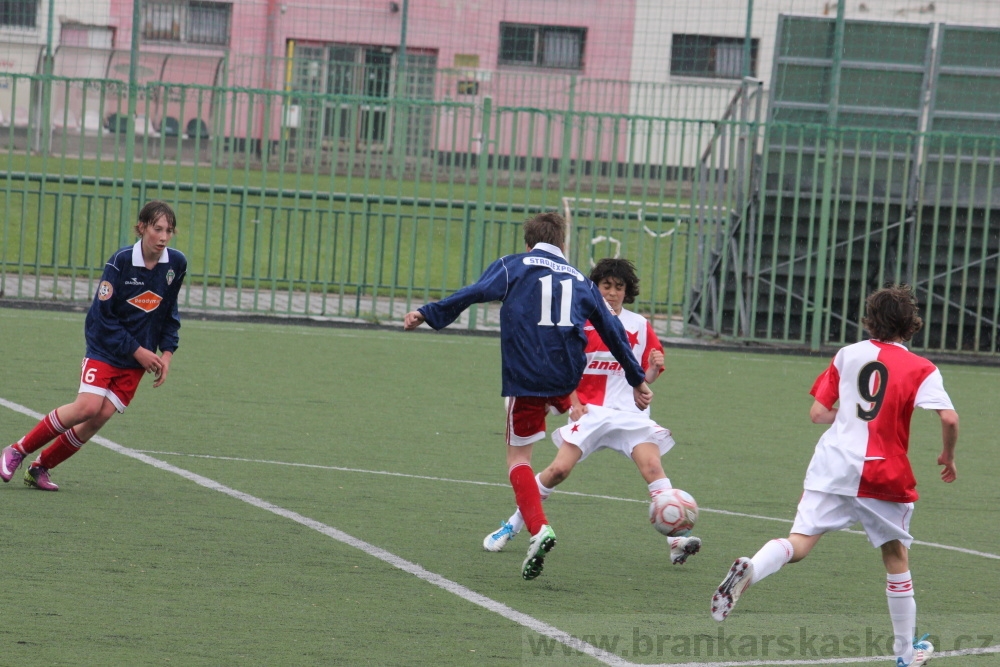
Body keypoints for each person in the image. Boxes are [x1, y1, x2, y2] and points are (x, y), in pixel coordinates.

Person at [709, 284, 959, 667]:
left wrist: (847, 413)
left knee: (800, 541)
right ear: (910, 325)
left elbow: (818, 413)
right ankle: (907, 654)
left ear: (870, 320)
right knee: (895, 556)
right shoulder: (922, 367)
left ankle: (753, 567)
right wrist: (947, 454)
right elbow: (949, 417)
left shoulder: (847, 354)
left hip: (832, 464)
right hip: (881, 470)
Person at [403, 213, 652, 580]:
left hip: (527, 377)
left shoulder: (513, 266)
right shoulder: (581, 280)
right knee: (563, 400)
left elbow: (473, 292)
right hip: (568, 376)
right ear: (563, 244)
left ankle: (538, 528)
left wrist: (428, 312)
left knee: (518, 457)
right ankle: (571, 407)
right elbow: (613, 329)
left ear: (528, 243)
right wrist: (636, 378)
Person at [482, 258, 701, 566]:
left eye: (619, 287)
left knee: (652, 467)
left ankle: (677, 540)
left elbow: (642, 378)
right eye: (605, 286)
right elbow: (563, 367)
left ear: (628, 292)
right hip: (590, 414)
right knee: (558, 471)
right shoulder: (580, 321)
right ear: (594, 288)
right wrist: (572, 401)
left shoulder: (639, 325)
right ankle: (513, 524)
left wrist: (650, 370)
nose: (612, 293)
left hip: (628, 414)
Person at [2, 201, 187, 491]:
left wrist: (166, 354)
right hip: (105, 347)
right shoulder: (121, 262)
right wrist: (138, 350)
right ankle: (17, 450)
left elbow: (168, 312)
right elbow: (101, 318)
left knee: (99, 418)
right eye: (157, 229)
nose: (163, 237)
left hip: (136, 361)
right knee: (86, 407)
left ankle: (40, 468)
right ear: (141, 228)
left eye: (169, 230)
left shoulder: (176, 264)